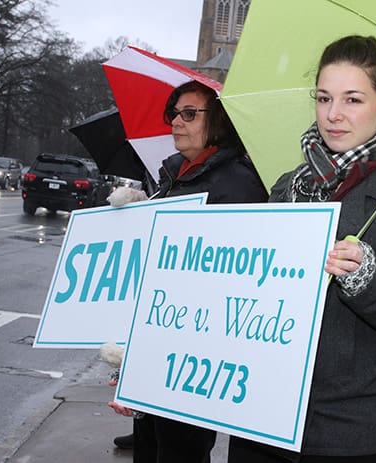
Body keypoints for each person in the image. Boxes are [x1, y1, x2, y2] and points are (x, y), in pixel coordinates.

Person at [227, 35, 376, 462]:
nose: (333, 115)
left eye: (352, 99)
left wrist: (369, 282)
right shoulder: (288, 187)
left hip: (352, 442)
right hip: (258, 426)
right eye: (323, 98)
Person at [107, 79, 268, 462]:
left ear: (218, 121)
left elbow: (243, 270)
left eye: (189, 113)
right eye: (174, 114)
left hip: (196, 350)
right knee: (149, 444)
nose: (176, 122)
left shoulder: (239, 184)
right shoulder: (173, 175)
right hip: (158, 332)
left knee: (181, 451)